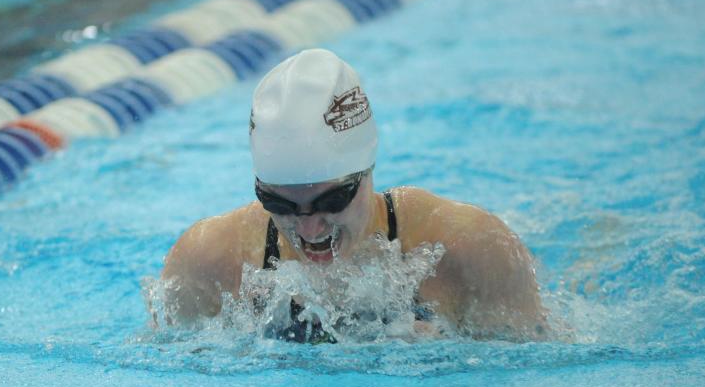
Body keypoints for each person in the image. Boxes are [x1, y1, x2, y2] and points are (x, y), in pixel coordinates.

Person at [160, 48, 546, 341]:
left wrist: (449, 355)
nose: (310, 228)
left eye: (331, 201)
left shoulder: (471, 248)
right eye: (279, 205)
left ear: (368, 171)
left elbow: (537, 371)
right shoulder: (206, 261)